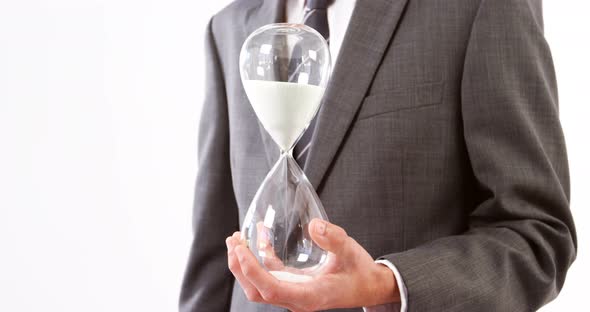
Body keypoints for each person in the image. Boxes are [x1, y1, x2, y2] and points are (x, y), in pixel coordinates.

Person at [179, 0, 577, 311]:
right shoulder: (229, 27)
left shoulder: (476, 7)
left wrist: (386, 282)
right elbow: (213, 250)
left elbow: (536, 233)